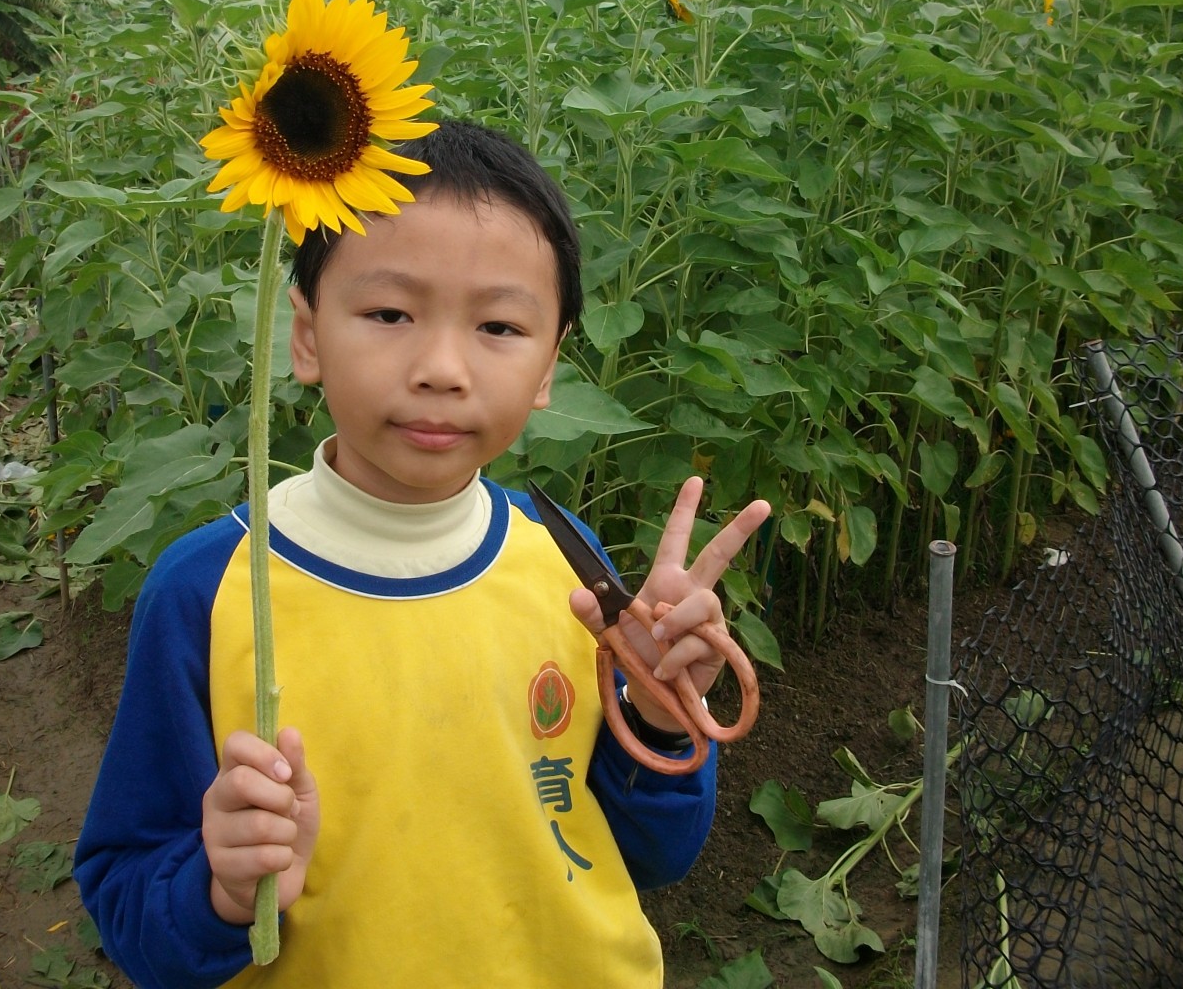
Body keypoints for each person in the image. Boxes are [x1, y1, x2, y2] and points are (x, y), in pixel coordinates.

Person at [76, 120, 770, 987]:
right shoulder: (209, 592)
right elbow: (128, 899)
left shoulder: (567, 565)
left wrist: (661, 717)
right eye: (390, 314)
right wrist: (218, 891)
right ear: (305, 335)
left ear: (550, 367)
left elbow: (653, 856)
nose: (443, 367)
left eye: (499, 327)